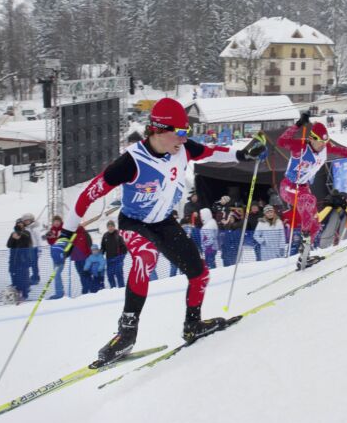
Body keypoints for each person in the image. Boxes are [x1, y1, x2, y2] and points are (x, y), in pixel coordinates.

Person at [53, 98, 266, 364]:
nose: (183, 138)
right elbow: (88, 195)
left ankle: (192, 325)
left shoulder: (183, 149)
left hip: (164, 222)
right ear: (158, 130)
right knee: (145, 258)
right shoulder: (131, 161)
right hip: (134, 223)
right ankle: (126, 333)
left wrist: (243, 154)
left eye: (186, 132)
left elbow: (211, 152)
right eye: (179, 132)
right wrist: (66, 233)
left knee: (200, 274)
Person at [277, 112, 347, 270]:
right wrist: (299, 124)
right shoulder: (299, 146)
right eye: (320, 141)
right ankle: (305, 237)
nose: (323, 145)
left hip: (303, 188)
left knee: (315, 223)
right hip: (288, 187)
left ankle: (304, 255)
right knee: (309, 201)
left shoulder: (325, 148)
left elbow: (342, 151)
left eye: (325, 141)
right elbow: (281, 141)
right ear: (312, 138)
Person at [6, 219, 33, 301]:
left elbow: (26, 243)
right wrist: (13, 238)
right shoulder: (13, 234)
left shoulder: (27, 233)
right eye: (18, 224)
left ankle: (25, 294)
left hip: (23, 259)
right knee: (14, 276)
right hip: (14, 259)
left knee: (23, 277)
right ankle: (16, 293)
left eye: (21, 224)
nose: (20, 225)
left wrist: (19, 234)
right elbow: (9, 245)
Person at [100, 220, 127, 288]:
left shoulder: (118, 235)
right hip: (109, 259)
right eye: (109, 226)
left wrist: (121, 257)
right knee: (110, 275)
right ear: (107, 227)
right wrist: (100, 253)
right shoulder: (105, 235)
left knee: (119, 274)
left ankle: (121, 288)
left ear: (114, 227)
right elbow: (103, 247)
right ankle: (113, 289)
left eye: (112, 226)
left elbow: (124, 247)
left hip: (118, 259)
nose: (110, 228)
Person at [44, 215, 66, 299]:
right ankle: (60, 291)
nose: (56, 223)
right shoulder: (52, 230)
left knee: (56, 274)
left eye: (58, 221)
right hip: (54, 254)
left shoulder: (63, 229)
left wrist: (56, 238)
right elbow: (51, 243)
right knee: (56, 274)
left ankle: (59, 293)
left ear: (60, 222)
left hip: (61, 254)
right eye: (55, 221)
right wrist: (49, 238)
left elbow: (64, 240)